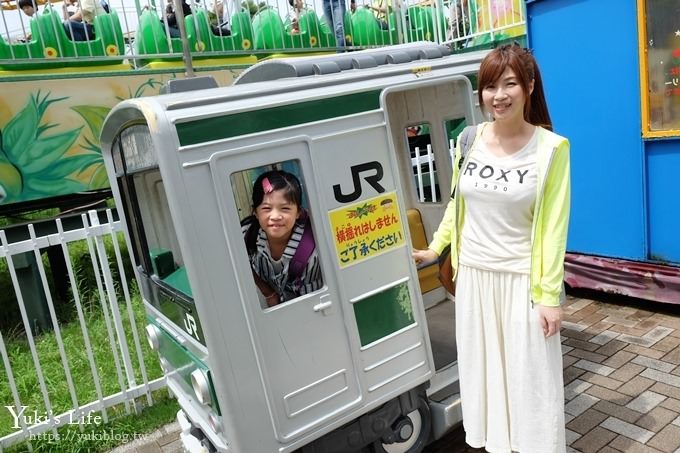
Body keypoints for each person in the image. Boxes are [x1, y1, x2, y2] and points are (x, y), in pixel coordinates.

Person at [412, 44, 570, 452]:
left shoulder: (552, 149)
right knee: (488, 379)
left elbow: (554, 228)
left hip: (522, 284)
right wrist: (435, 248)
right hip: (474, 281)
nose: (498, 95)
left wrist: (549, 297)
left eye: (510, 84)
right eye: (489, 86)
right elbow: (456, 204)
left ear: (530, 87)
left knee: (531, 384)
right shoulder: (470, 139)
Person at [242, 170, 323, 307]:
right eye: (267, 208)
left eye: (285, 208)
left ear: (298, 212)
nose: (275, 216)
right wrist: (268, 293)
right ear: (255, 212)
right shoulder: (245, 234)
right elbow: (243, 263)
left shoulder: (317, 241)